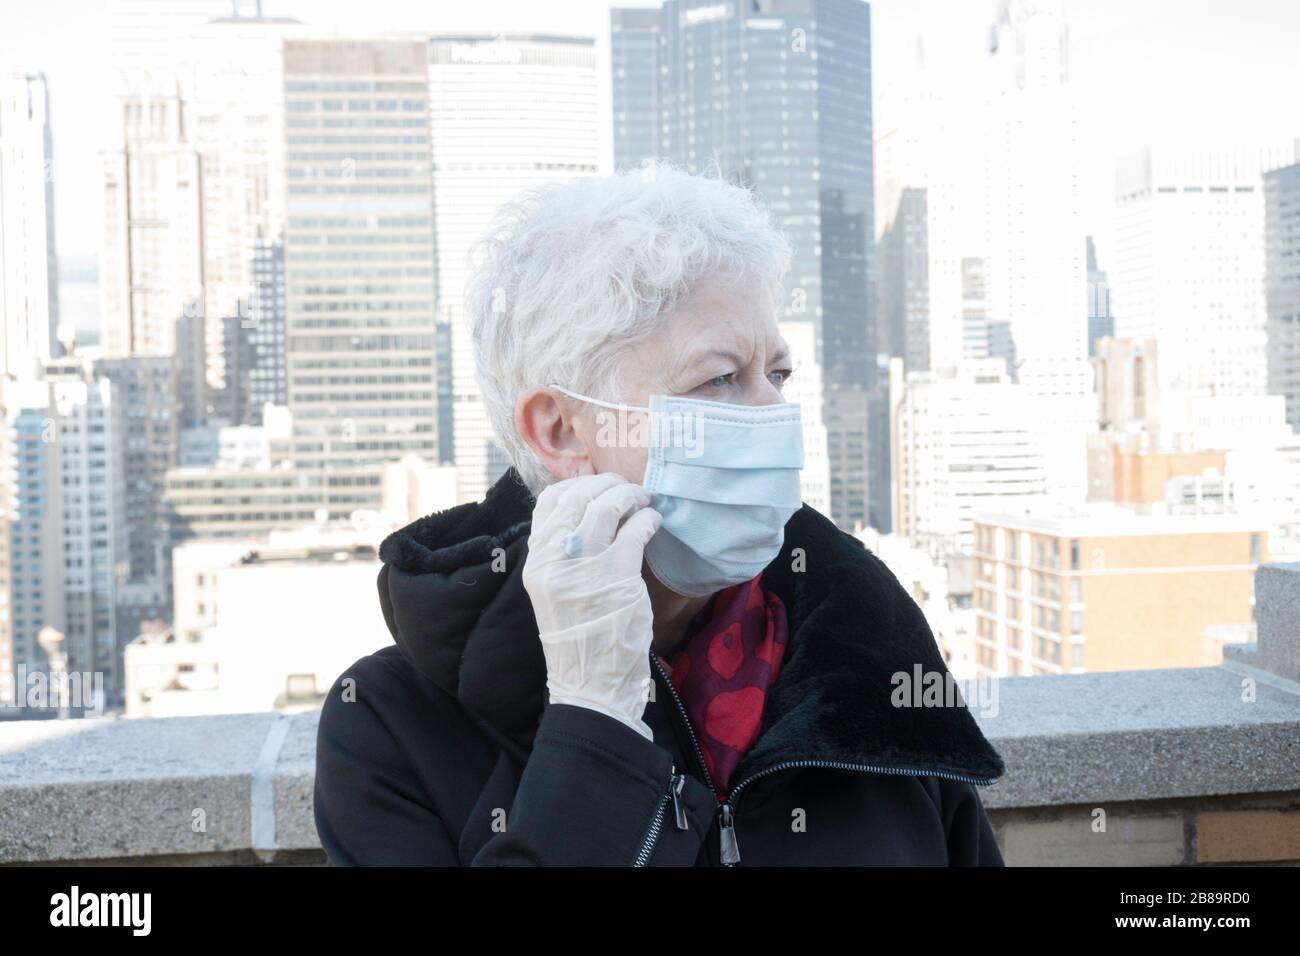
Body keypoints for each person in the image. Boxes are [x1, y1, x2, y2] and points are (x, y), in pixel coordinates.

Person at [313, 161, 1006, 866]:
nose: (776, 416)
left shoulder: (867, 661)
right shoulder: (386, 726)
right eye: (720, 379)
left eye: (778, 374)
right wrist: (593, 723)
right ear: (560, 430)